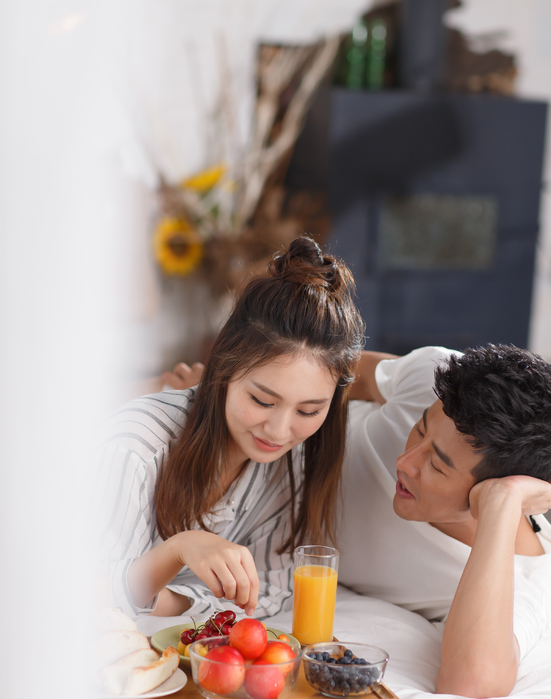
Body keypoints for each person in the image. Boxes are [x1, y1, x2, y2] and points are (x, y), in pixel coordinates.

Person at [95, 236, 364, 620]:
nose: (279, 431)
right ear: (223, 369)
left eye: (308, 410)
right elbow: (87, 591)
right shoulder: (138, 445)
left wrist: (177, 601)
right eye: (262, 401)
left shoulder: (289, 464)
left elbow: (272, 592)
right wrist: (179, 549)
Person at [337, 344, 551, 698]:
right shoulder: (440, 382)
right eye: (419, 429)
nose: (405, 462)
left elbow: (471, 684)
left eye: (437, 466)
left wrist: (503, 501)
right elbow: (330, 370)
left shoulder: (524, 578)